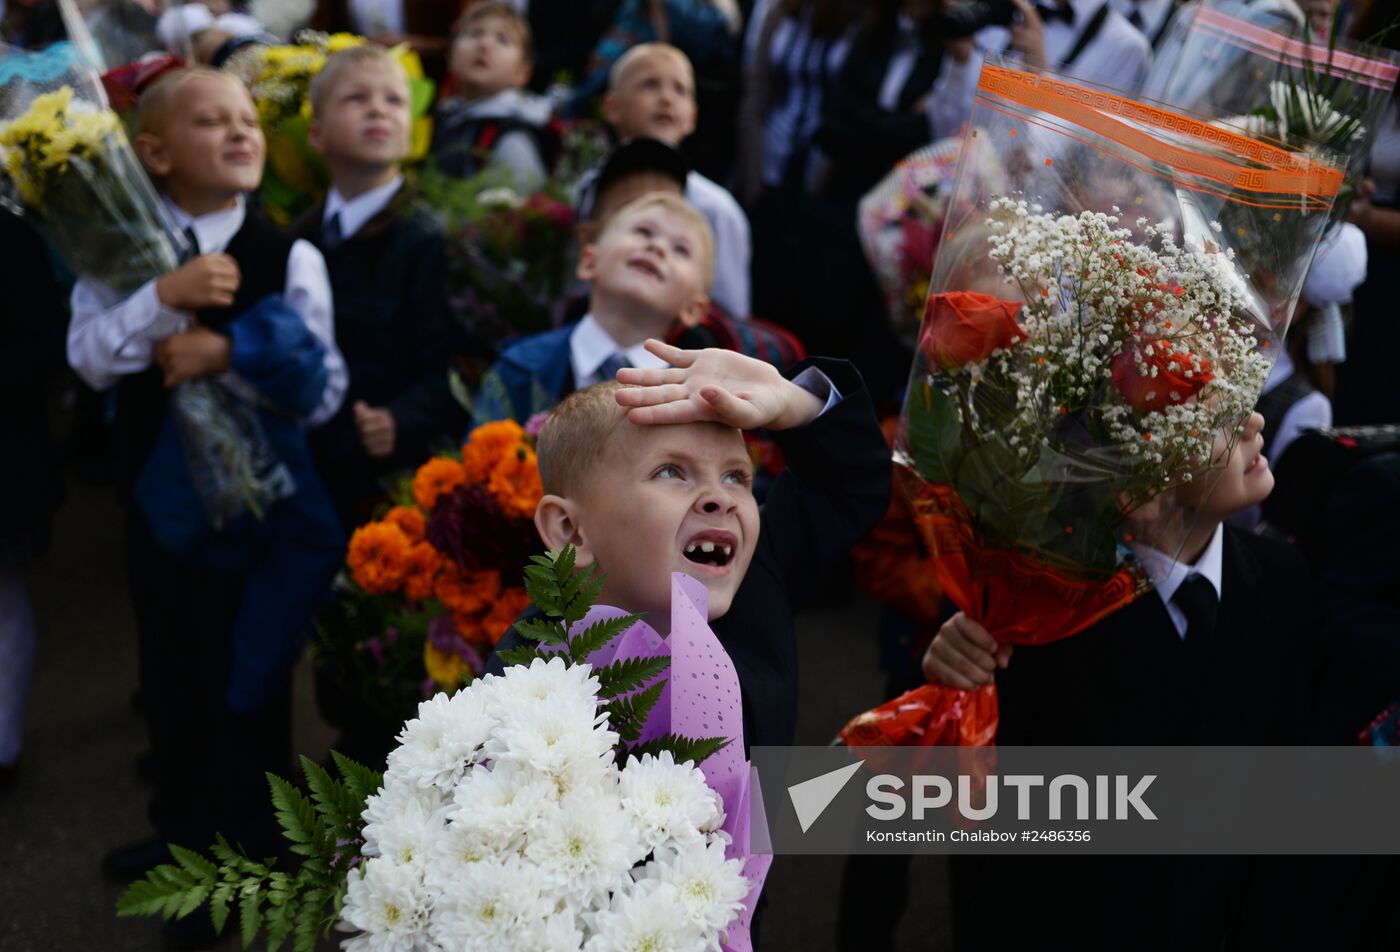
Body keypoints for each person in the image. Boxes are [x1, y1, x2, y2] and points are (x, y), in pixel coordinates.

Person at [66, 69, 346, 912]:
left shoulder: (287, 251)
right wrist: (162, 299)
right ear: (152, 153)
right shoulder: (119, 248)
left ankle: (247, 857)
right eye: (210, 120)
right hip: (159, 504)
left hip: (260, 510)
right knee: (171, 665)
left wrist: (230, 356)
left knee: (247, 677)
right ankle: (181, 829)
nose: (239, 131)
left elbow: (324, 386)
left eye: (246, 119)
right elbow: (87, 357)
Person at [923, 411, 1317, 948]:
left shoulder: (1284, 579)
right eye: (1216, 418)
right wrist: (957, 677)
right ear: (1140, 489)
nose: (1254, 420)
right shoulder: (1037, 616)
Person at [488, 338, 891, 751]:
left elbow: (851, 487)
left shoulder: (757, 577)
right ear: (570, 530)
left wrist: (794, 402)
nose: (720, 497)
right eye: (671, 472)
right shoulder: (527, 674)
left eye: (737, 476)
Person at [296, 44, 471, 528]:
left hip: (390, 471)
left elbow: (456, 364)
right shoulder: (299, 236)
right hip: (311, 459)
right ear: (317, 133)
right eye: (356, 98)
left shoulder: (430, 238)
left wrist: (401, 418)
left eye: (395, 100)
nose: (378, 108)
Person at [472, 190, 715, 425]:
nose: (657, 247)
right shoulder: (520, 369)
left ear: (693, 309)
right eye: (643, 232)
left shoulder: (695, 402)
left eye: (681, 249)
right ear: (589, 262)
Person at [578, 42, 753, 319]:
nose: (666, 99)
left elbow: (731, 313)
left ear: (693, 117)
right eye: (649, 85)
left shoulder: (717, 208)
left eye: (680, 90)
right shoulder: (591, 186)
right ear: (611, 107)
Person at [0, 210, 67, 792]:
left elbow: (51, 340)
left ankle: (3, 744)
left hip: (5, 452)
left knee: (4, 596)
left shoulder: (12, 235)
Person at [430, 1, 556, 189]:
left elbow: (518, 212)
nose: (485, 44)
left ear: (522, 73)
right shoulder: (438, 117)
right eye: (474, 34)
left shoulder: (512, 140)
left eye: (503, 39)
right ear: (450, 55)